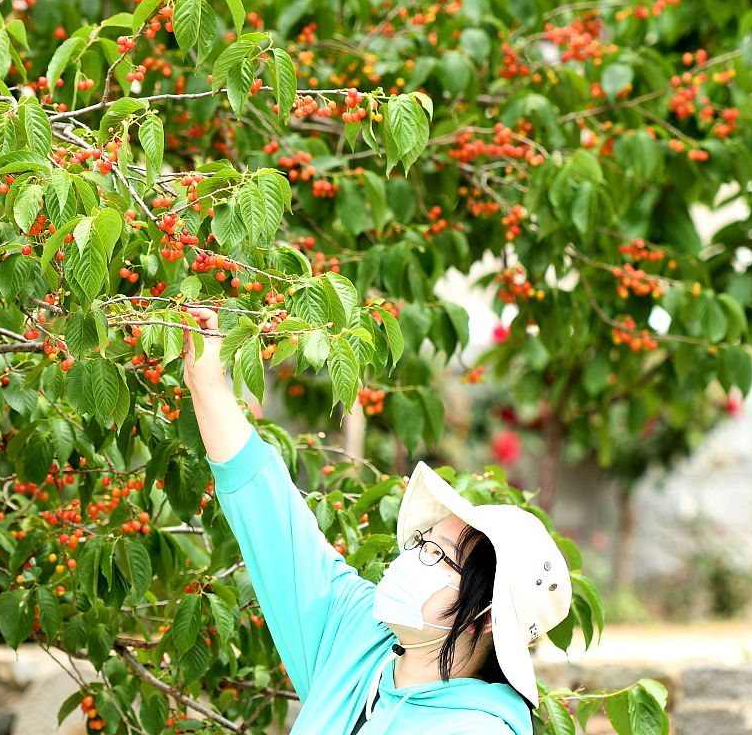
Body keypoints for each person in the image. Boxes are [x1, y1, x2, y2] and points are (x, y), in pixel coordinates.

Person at [181, 305, 573, 734]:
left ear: (488, 616)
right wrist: (208, 382)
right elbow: (270, 514)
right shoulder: (358, 641)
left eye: (440, 556)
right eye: (423, 543)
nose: (412, 560)